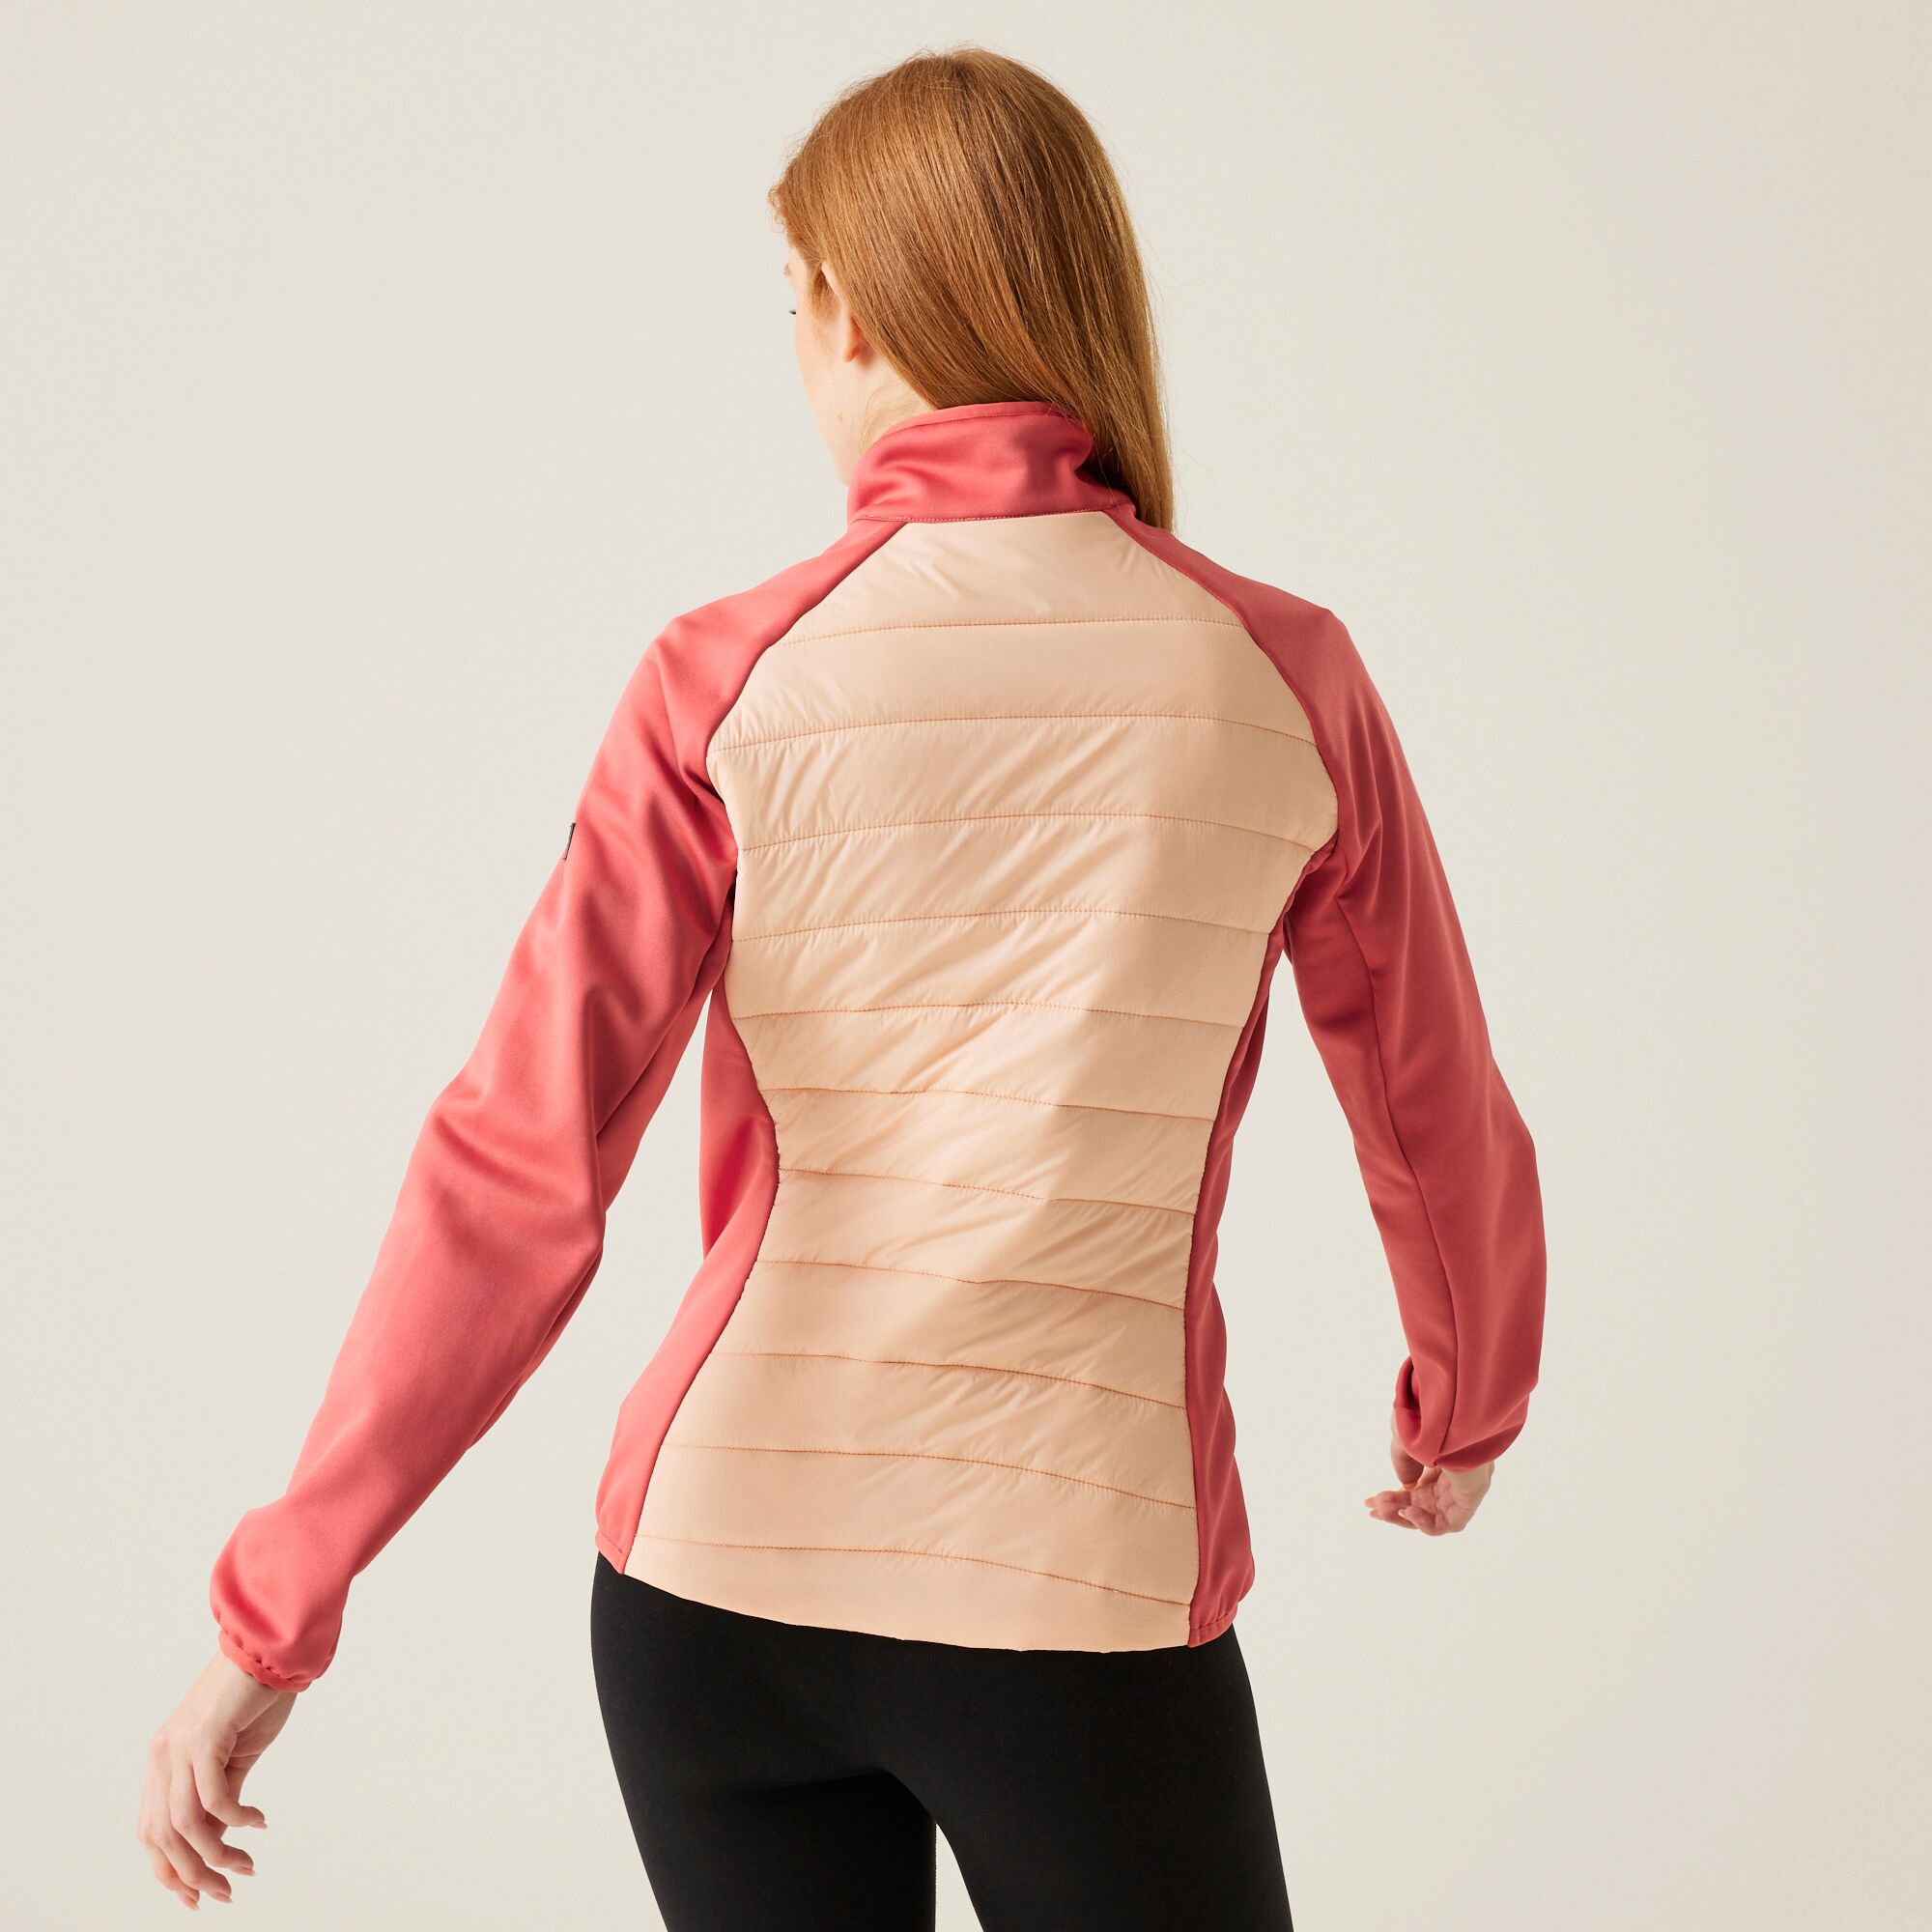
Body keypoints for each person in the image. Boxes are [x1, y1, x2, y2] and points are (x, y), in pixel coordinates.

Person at [138, 46, 1545, 1930]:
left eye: (789, 308)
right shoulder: (1283, 678)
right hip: (1082, 1594)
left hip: (715, 1598)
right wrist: (1463, 1398)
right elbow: (1431, 1099)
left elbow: (515, 1167)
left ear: (851, 311)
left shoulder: (727, 677)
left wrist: (280, 1603)